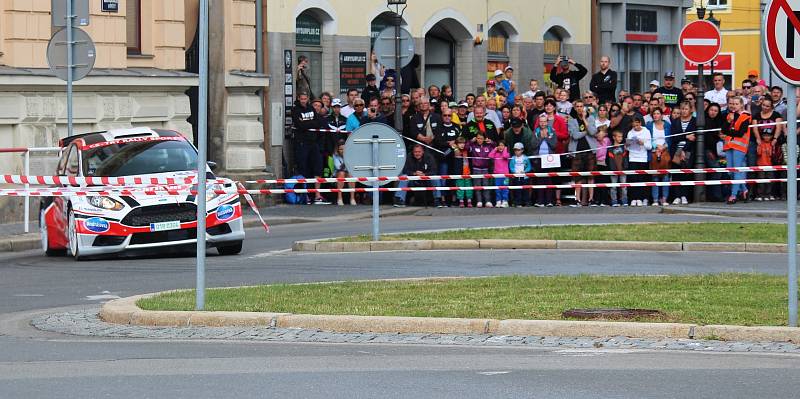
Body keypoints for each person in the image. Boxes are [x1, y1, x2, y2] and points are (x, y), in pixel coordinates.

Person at [291, 92, 329, 204]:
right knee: (303, 168)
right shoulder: (295, 110)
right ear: (298, 98)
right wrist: (309, 124)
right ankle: (305, 195)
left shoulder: (311, 108)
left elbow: (317, 123)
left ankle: (317, 195)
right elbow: (299, 125)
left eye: (305, 98)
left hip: (313, 143)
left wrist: (307, 123)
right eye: (301, 98)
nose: (303, 101)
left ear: (307, 99)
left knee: (318, 166)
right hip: (302, 143)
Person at [721, 96, 752, 204]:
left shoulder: (746, 116)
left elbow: (740, 133)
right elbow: (723, 129)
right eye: (731, 103)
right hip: (729, 145)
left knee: (736, 170)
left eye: (736, 104)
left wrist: (728, 132)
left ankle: (733, 195)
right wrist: (729, 123)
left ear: (741, 105)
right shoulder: (730, 115)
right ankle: (744, 189)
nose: (733, 106)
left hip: (740, 146)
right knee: (730, 170)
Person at [568, 101, 598, 207]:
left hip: (590, 151)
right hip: (577, 152)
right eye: (578, 107)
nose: (580, 108)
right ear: (575, 108)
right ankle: (578, 199)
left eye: (582, 106)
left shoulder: (590, 119)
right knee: (578, 177)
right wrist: (586, 132)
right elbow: (575, 135)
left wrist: (585, 120)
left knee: (591, 176)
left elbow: (593, 132)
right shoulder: (572, 121)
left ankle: (591, 199)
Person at [669, 101, 697, 205]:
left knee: (686, 174)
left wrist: (684, 150)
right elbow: (674, 136)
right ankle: (676, 196)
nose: (684, 111)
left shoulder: (695, 121)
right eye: (682, 108)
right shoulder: (675, 121)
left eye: (686, 109)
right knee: (676, 174)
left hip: (688, 150)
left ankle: (684, 196)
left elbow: (694, 137)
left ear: (690, 110)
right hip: (676, 150)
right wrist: (685, 136)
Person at [432, 110, 461, 207]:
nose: (447, 117)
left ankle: (453, 199)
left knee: (454, 178)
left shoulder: (456, 127)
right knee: (443, 179)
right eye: (445, 115)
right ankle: (443, 199)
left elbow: (460, 140)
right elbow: (437, 141)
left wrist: (455, 145)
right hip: (443, 157)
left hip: (455, 158)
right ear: (442, 116)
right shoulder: (438, 127)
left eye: (449, 115)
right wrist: (449, 143)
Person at [530, 114, 557, 207]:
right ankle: (540, 201)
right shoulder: (535, 132)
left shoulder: (552, 131)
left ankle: (549, 200)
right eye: (541, 121)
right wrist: (541, 138)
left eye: (544, 121)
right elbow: (533, 145)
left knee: (549, 180)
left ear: (547, 122)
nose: (542, 123)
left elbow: (554, 145)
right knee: (540, 180)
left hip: (549, 159)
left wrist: (546, 138)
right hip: (538, 159)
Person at [647, 108, 672, 206]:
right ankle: (655, 199)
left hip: (665, 152)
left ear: (661, 115)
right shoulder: (649, 125)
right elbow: (648, 138)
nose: (656, 115)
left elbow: (670, 139)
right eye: (654, 114)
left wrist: (664, 147)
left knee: (665, 176)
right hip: (653, 152)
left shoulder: (667, 125)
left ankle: (664, 199)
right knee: (655, 177)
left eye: (658, 114)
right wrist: (656, 146)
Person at [626, 115, 652, 206]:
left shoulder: (646, 131)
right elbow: (627, 148)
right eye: (634, 125)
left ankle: (640, 198)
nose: (635, 127)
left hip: (642, 158)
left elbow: (649, 146)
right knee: (633, 178)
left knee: (641, 178)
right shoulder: (630, 132)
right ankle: (633, 198)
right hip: (632, 157)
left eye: (637, 125)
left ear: (640, 123)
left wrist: (643, 143)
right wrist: (629, 145)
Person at [467, 132, 495, 208]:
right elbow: (466, 147)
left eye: (481, 138)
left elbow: (496, 149)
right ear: (476, 138)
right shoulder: (473, 145)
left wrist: (492, 142)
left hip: (486, 168)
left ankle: (487, 201)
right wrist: (471, 141)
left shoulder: (489, 146)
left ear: (484, 139)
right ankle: (479, 201)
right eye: (478, 138)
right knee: (477, 186)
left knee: (486, 185)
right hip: (476, 168)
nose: (480, 140)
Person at [327, 140, 357, 206]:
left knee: (350, 175)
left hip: (348, 174)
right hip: (336, 175)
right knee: (341, 173)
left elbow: (352, 167)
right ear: (337, 150)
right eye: (340, 149)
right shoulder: (335, 155)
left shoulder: (351, 155)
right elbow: (338, 167)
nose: (343, 151)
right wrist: (346, 159)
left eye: (344, 149)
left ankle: (352, 198)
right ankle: (339, 198)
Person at [607, 130, 629, 207]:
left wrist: (625, 168)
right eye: (619, 136)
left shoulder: (623, 147)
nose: (620, 138)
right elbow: (610, 160)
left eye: (621, 137)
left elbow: (625, 158)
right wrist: (612, 169)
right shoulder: (610, 148)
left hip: (623, 169)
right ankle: (614, 201)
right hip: (613, 170)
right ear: (614, 137)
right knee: (613, 186)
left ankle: (624, 200)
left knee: (624, 186)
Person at [509, 142, 533, 207]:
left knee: (526, 190)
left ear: (522, 150)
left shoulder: (525, 158)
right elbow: (511, 166)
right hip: (516, 177)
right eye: (515, 150)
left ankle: (527, 202)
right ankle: (518, 203)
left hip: (525, 177)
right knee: (517, 190)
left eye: (518, 150)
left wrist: (525, 171)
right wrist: (514, 172)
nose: (517, 152)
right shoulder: (513, 158)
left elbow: (529, 166)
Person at [489, 140, 510, 207]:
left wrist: (505, 149)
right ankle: (498, 201)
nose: (501, 147)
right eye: (499, 145)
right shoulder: (496, 153)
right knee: (497, 189)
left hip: (505, 175)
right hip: (497, 174)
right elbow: (490, 156)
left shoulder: (507, 153)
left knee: (505, 188)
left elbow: (504, 156)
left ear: (505, 146)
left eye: (502, 145)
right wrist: (495, 149)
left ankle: (505, 201)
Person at [453, 137, 473, 207]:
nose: (462, 145)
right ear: (456, 144)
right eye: (460, 143)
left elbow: (470, 147)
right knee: (460, 187)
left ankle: (469, 201)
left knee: (469, 187)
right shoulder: (455, 150)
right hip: (459, 173)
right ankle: (461, 201)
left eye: (463, 143)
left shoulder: (467, 150)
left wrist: (468, 143)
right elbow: (446, 154)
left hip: (468, 172)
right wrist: (455, 148)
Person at [756, 131, 775, 201]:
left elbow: (773, 155)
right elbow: (758, 153)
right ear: (762, 136)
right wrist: (758, 146)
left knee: (770, 181)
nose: (767, 137)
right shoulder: (760, 143)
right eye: (765, 135)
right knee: (761, 181)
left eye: (768, 136)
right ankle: (760, 195)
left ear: (771, 137)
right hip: (761, 165)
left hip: (770, 165)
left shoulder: (772, 144)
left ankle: (768, 194)